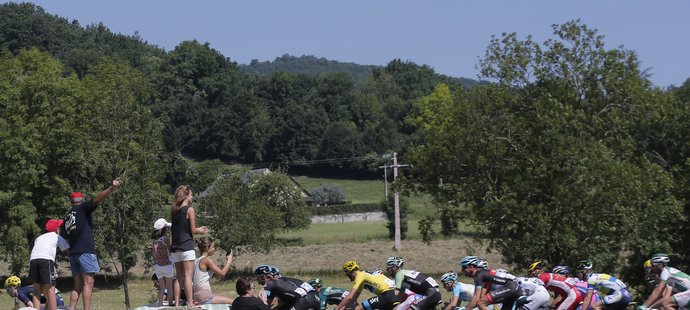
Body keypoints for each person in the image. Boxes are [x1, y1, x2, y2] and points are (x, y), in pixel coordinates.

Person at [61, 177, 121, 310]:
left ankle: (71, 308)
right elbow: (97, 199)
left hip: (73, 254)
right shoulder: (83, 208)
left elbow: (63, 238)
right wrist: (111, 188)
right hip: (85, 252)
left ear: (71, 202)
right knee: (88, 283)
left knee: (77, 284)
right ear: (81, 200)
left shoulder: (67, 217)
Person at [170, 185, 209, 307]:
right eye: (191, 194)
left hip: (175, 248)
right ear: (186, 196)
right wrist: (201, 230)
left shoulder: (174, 211)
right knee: (188, 275)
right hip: (186, 246)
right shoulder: (189, 209)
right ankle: (190, 303)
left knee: (178, 277)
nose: (192, 197)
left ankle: (176, 304)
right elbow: (192, 230)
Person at [28, 218, 70, 310]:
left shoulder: (39, 238)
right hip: (45, 260)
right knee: (51, 289)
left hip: (33, 260)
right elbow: (67, 250)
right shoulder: (56, 236)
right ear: (57, 229)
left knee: (37, 291)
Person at [255, 264, 320, 310]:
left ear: (263, 276)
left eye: (257, 277)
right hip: (315, 298)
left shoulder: (269, 283)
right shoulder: (282, 280)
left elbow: (265, 303)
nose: (256, 279)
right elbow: (274, 303)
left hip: (302, 300)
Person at [192, 236, 234, 305]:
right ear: (207, 248)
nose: (214, 249)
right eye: (213, 247)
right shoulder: (206, 260)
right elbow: (222, 274)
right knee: (235, 302)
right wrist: (229, 260)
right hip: (204, 296)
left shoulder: (197, 260)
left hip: (197, 295)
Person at [151, 218, 177, 306]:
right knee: (169, 286)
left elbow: (153, 253)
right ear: (164, 229)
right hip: (167, 265)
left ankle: (160, 304)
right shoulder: (165, 239)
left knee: (162, 286)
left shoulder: (154, 241)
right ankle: (170, 303)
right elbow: (170, 251)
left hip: (158, 266)